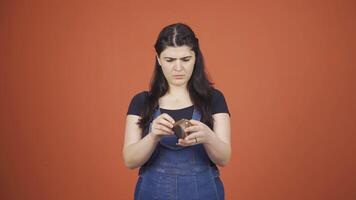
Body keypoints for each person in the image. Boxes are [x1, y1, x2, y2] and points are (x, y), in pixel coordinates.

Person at [123, 22, 231, 200]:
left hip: (204, 193)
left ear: (195, 57)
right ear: (158, 59)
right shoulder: (141, 102)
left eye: (185, 59)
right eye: (170, 60)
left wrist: (208, 136)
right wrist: (153, 136)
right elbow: (130, 160)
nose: (178, 68)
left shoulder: (214, 99)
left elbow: (224, 158)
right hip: (152, 192)